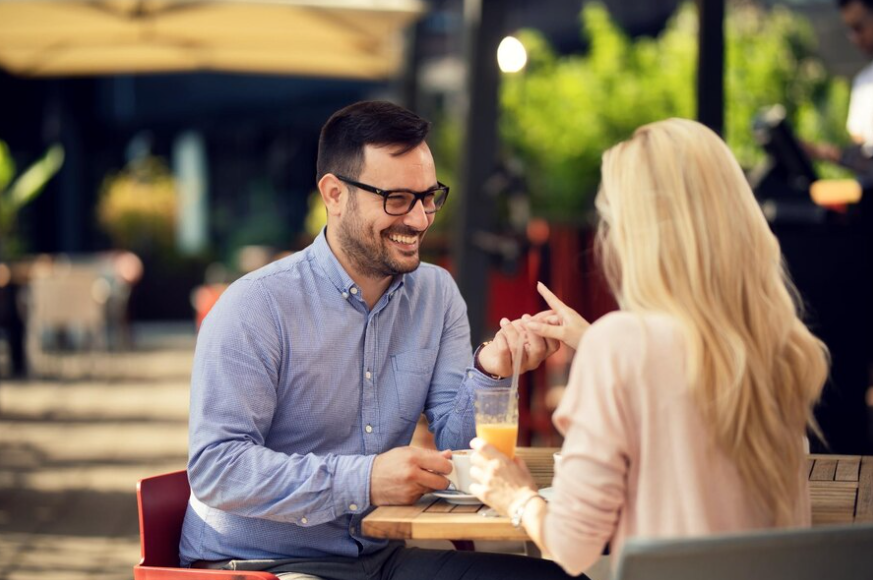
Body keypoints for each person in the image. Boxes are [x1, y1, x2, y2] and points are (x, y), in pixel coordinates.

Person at [178, 100, 579, 580]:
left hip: (378, 557)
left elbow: (457, 447)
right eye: (396, 199)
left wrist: (491, 369)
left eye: (428, 197)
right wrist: (364, 480)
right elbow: (217, 468)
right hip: (258, 564)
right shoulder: (255, 306)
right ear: (334, 194)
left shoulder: (437, 294)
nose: (419, 219)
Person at [467, 118, 830, 577]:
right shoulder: (780, 343)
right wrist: (595, 342)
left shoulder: (621, 348)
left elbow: (572, 545)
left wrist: (516, 495)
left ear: (640, 234)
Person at [804, 0, 873, 177]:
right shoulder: (864, 84)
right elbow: (862, 154)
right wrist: (822, 152)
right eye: (850, 30)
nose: (855, 38)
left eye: (859, 27)